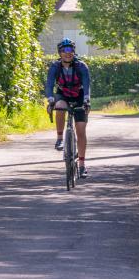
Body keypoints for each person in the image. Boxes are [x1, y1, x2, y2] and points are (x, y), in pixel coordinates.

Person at [45, 38, 91, 178]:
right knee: (59, 107)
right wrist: (50, 100)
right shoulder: (55, 66)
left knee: (81, 130)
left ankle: (82, 166)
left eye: (70, 50)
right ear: (60, 53)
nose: (67, 53)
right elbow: (49, 84)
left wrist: (86, 100)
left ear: (73, 52)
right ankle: (60, 138)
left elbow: (87, 84)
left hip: (79, 96)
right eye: (64, 50)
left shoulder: (81, 66)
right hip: (63, 95)